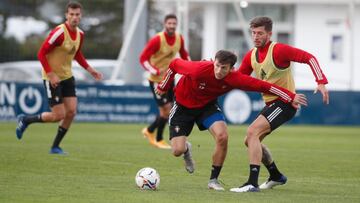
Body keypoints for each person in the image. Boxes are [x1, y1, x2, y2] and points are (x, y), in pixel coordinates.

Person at [156, 50, 307, 191]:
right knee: (177, 150)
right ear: (213, 62)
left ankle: (213, 180)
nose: (219, 71)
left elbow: (262, 85)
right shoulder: (198, 69)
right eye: (217, 66)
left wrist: (290, 96)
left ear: (231, 68)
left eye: (224, 68)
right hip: (183, 106)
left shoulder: (234, 78)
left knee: (222, 136)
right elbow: (174, 64)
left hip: (207, 106)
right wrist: (163, 86)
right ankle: (186, 150)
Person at [229, 16, 329, 193]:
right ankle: (275, 175)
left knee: (252, 132)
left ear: (269, 34)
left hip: (285, 103)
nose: (256, 37)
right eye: (253, 33)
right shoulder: (251, 55)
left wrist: (320, 81)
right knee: (250, 140)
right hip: (271, 104)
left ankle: (252, 183)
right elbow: (238, 79)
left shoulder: (279, 51)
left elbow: (309, 58)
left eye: (260, 33)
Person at [15, 1, 103, 154]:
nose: (74, 17)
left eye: (77, 15)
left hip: (67, 76)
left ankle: (55, 147)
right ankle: (26, 120)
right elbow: (41, 53)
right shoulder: (59, 32)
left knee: (71, 112)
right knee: (58, 115)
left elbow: (77, 54)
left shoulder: (80, 34)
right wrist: (50, 74)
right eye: (71, 14)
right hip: (52, 78)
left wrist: (90, 70)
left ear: (80, 16)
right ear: (66, 15)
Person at [139, 14, 190, 149]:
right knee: (166, 111)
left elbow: (184, 55)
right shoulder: (157, 40)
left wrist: (191, 68)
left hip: (169, 79)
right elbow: (143, 58)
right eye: (169, 23)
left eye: (174, 23)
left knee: (170, 110)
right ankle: (158, 138)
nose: (172, 26)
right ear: (164, 24)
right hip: (156, 81)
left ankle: (150, 130)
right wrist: (154, 70)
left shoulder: (179, 38)